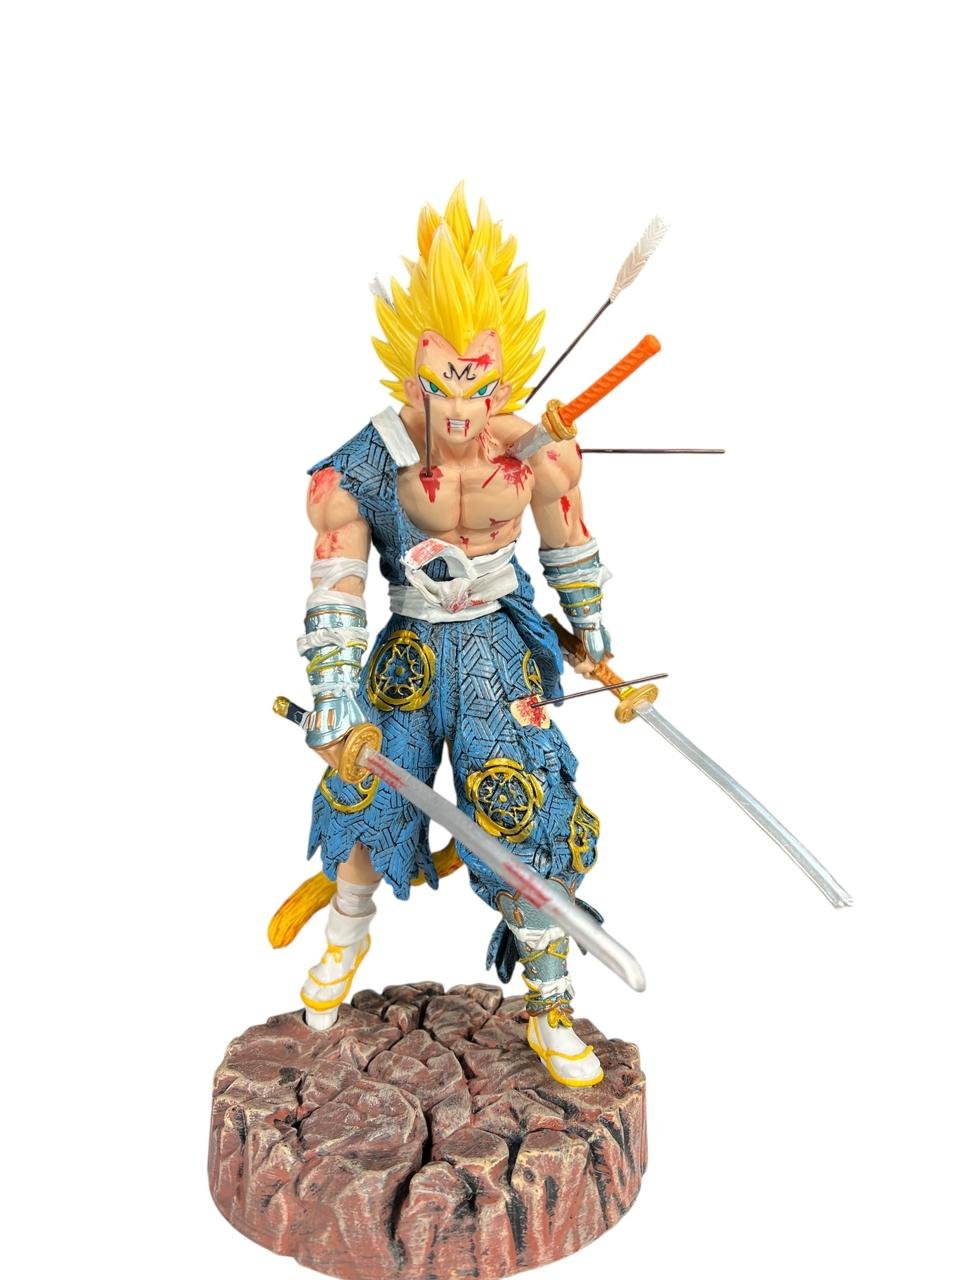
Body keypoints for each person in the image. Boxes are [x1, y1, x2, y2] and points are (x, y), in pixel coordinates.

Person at [297, 185, 612, 1087]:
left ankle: (549, 1002)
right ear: (412, 380)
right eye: (442, 387)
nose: (463, 408)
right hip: (408, 649)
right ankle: (345, 938)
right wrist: (333, 690)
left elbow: (569, 543)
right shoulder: (364, 464)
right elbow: (336, 580)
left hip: (497, 652)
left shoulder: (538, 453)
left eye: (480, 383)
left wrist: (590, 629)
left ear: (505, 377)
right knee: (366, 786)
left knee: (525, 810)